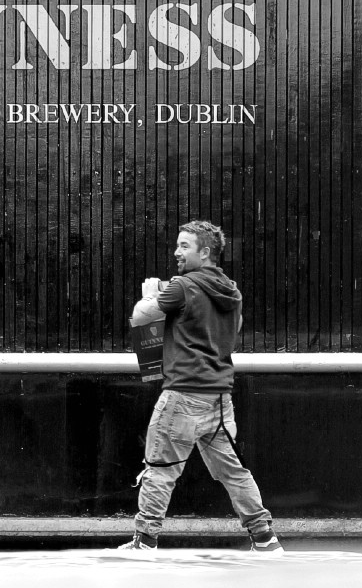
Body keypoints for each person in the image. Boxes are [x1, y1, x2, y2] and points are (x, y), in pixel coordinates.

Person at [118, 220, 283, 554]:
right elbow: (232, 334)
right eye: (177, 245)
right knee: (233, 472)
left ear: (205, 252)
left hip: (182, 395)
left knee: (160, 469)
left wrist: (150, 295)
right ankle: (265, 539)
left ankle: (145, 542)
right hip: (220, 398)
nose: (177, 252)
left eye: (184, 246)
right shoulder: (231, 291)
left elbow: (140, 317)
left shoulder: (182, 286)